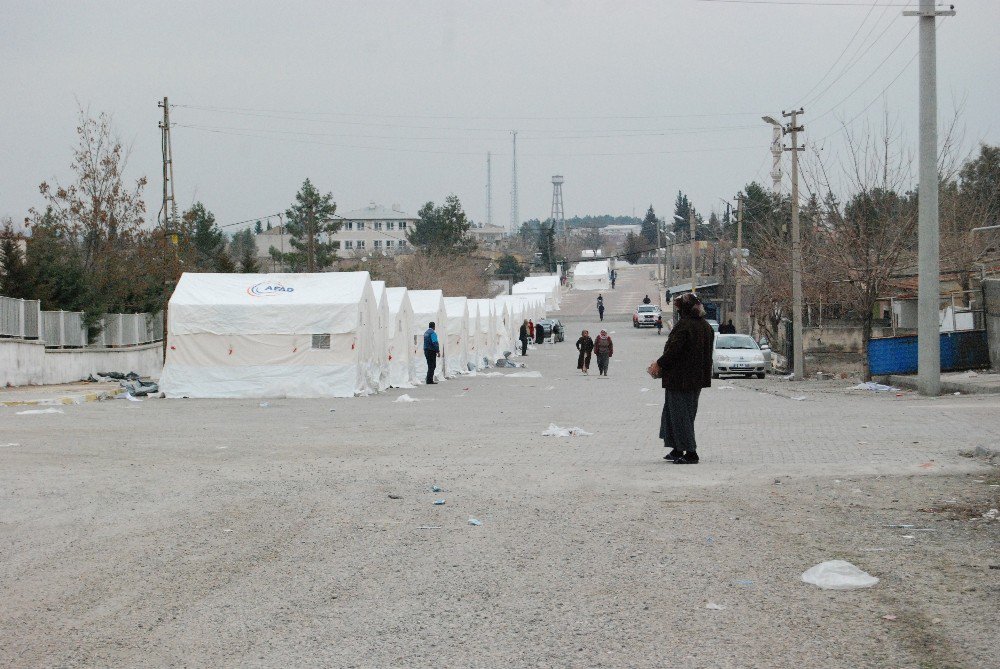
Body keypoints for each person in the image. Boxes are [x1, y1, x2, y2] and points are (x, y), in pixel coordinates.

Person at [655, 293, 714, 465]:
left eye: (679, 307)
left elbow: (673, 352)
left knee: (681, 415)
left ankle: (691, 452)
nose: (678, 310)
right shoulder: (705, 326)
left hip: (680, 379)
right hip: (695, 379)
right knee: (679, 414)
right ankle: (678, 448)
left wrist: (659, 364)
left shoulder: (685, 326)